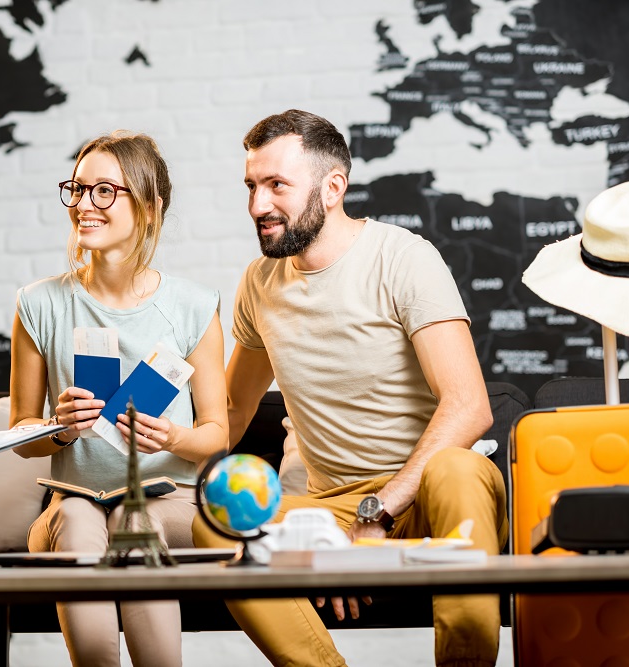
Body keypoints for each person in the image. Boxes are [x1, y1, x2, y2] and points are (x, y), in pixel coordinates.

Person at [192, 109, 508, 667]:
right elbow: (235, 409)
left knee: (457, 470)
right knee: (212, 524)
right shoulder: (259, 283)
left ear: (333, 187)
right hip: (331, 507)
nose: (257, 206)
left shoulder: (404, 258)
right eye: (251, 186)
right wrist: (154, 459)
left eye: (276, 186)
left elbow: (470, 407)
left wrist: (376, 514)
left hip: (431, 493)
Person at [10, 131, 228, 667]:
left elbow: (217, 437)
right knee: (84, 519)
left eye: (105, 191)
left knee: (135, 523)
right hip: (72, 501)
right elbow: (19, 434)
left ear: (149, 208)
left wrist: (174, 436)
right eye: (78, 189)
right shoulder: (39, 304)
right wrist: (57, 429)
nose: (84, 205)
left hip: (167, 501)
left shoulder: (194, 307)